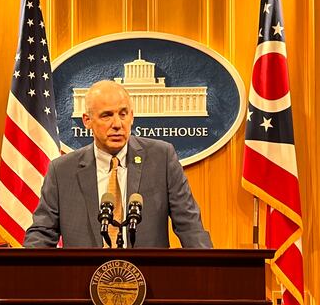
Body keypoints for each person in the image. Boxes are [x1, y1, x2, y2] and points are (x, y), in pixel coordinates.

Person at [24, 80, 212, 248]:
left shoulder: (161, 158)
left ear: (132, 116)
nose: (117, 124)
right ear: (87, 121)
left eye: (123, 114)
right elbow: (42, 232)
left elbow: (189, 225)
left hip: (148, 278)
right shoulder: (62, 170)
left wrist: (209, 272)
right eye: (106, 115)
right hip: (83, 279)